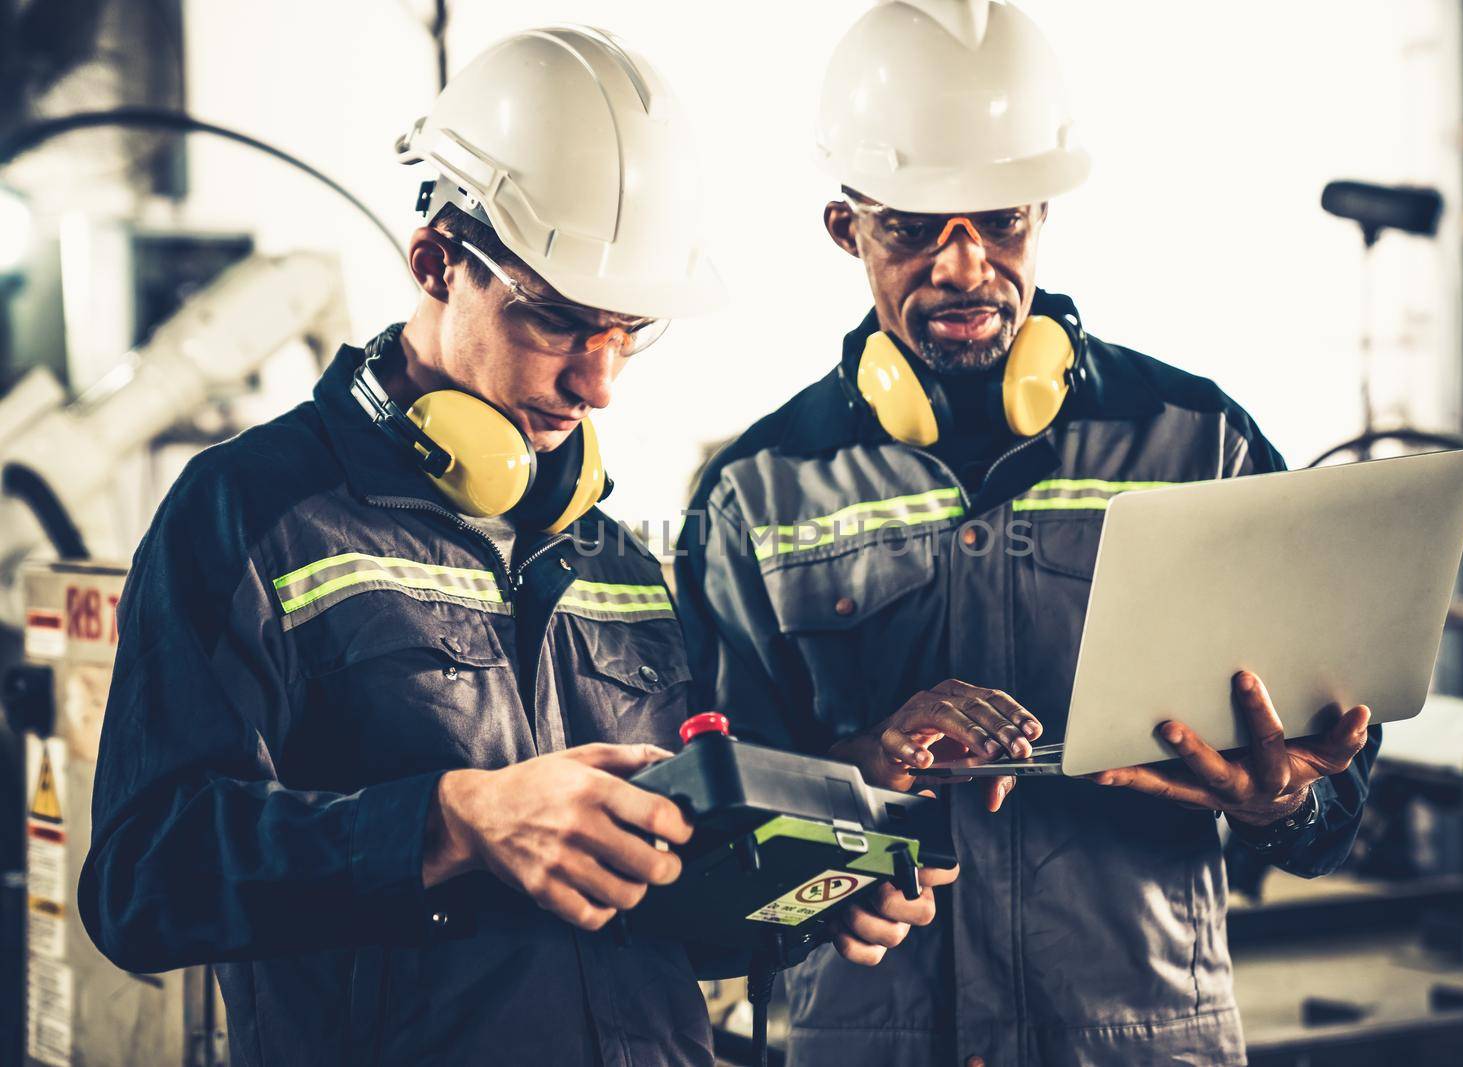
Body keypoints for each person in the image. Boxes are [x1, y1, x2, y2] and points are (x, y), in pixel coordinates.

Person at [79, 27, 939, 1067]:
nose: (601, 383)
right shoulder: (251, 512)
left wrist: (805, 897)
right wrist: (452, 819)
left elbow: (667, 915)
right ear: (437, 261)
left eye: (630, 332)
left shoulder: (616, 557)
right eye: (561, 322)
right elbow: (142, 884)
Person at [675, 3, 1379, 1065]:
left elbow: (1337, 794)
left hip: (1139, 1039)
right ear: (845, 226)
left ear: (1042, 209)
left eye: (1000, 222)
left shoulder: (1201, 444)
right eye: (914, 227)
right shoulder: (754, 494)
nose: (964, 268)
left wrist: (1288, 801)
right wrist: (866, 764)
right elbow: (708, 840)